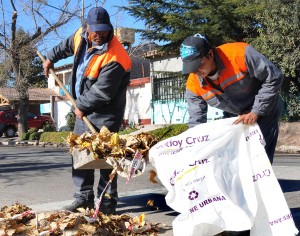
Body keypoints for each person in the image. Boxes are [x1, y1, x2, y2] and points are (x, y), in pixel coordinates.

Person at [180, 34, 283, 236]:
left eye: (198, 64)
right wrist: (196, 151)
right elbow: (196, 121)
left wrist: (257, 111)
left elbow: (274, 76)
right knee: (232, 168)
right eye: (190, 67)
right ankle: (238, 221)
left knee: (256, 168)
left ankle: (259, 223)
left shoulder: (239, 54)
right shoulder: (194, 84)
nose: (196, 72)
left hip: (265, 112)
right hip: (236, 117)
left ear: (210, 53)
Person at [43, 7, 132, 214]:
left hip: (107, 113)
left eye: (103, 31)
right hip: (83, 110)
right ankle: (84, 198)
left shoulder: (117, 56)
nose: (99, 35)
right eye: (95, 31)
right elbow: (64, 47)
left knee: (105, 158)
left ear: (109, 28)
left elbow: (102, 92)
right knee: (80, 154)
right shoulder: (79, 37)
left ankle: (107, 202)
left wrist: (80, 106)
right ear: (87, 28)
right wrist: (50, 57)